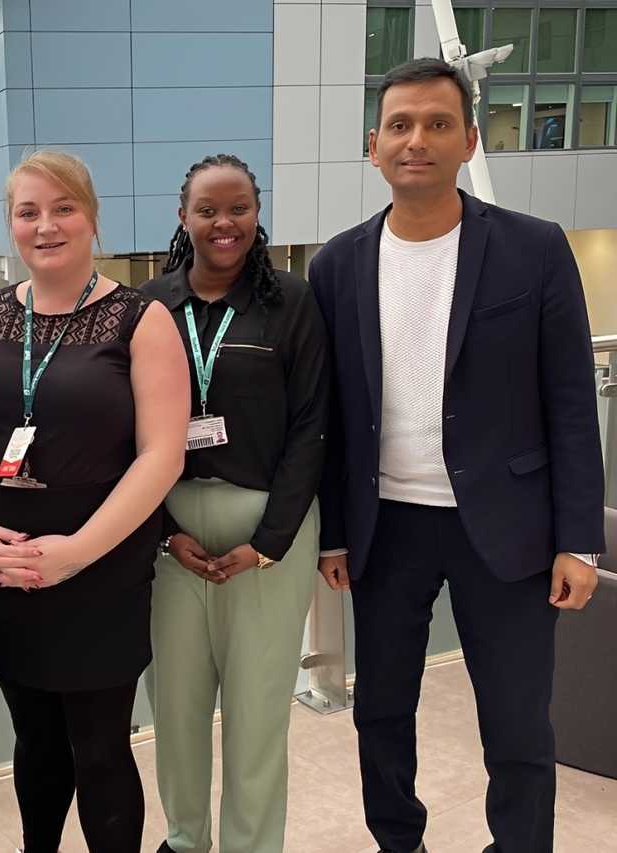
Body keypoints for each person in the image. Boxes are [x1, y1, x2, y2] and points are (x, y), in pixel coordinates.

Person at [309, 58, 604, 853]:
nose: (417, 140)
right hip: (386, 530)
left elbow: (573, 402)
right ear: (373, 145)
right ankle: (397, 841)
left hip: (507, 530)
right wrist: (333, 531)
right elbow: (328, 417)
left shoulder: (534, 250)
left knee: (515, 721)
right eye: (400, 125)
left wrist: (579, 538)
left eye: (438, 124)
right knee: (382, 713)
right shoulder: (335, 265)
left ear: (470, 140)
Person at [0, 150, 189, 853]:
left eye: (63, 208)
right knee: (34, 737)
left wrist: (76, 552)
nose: (47, 225)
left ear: (91, 217)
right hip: (5, 569)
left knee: (100, 747)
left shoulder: (140, 319)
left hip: (100, 573)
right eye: (28, 211)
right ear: (10, 224)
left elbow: (162, 454)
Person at [141, 154, 329, 853]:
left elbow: (313, 424)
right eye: (208, 209)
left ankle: (253, 844)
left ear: (257, 211)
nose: (224, 222)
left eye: (239, 207)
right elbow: (124, 428)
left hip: (267, 529)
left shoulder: (292, 300)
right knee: (178, 707)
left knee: (255, 714)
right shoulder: (150, 306)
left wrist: (271, 540)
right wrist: (162, 530)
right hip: (170, 530)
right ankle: (186, 838)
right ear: (182, 216)